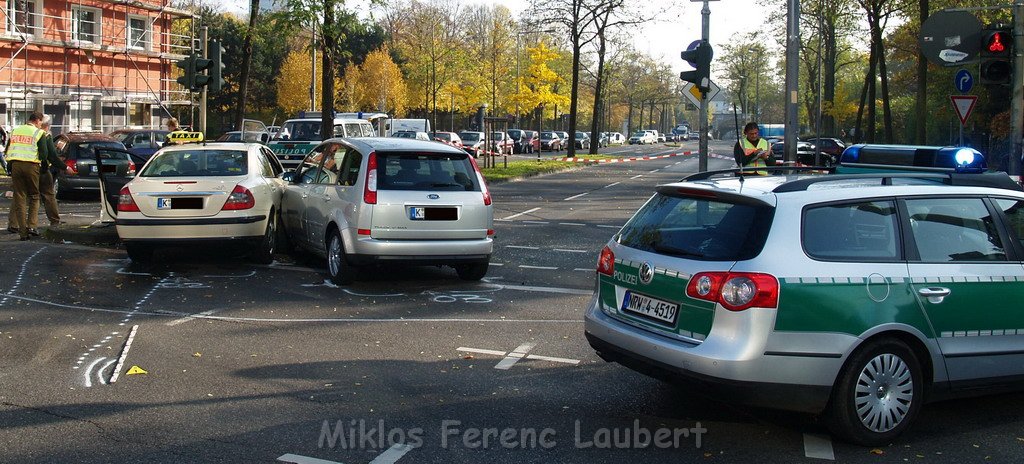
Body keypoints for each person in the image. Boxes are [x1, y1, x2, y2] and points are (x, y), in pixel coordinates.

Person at [5, 112, 47, 240]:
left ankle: (23, 232)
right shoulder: (39, 133)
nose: (41, 125)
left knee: (20, 197)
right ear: (37, 120)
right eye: (41, 122)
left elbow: (8, 149)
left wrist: (10, 166)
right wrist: (43, 166)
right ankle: (32, 226)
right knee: (34, 196)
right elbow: (44, 153)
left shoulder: (15, 131)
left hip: (16, 165)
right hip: (32, 166)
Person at [37, 118, 62, 227]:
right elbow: (51, 155)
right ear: (46, 125)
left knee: (22, 196)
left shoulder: (28, 133)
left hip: (23, 167)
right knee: (48, 194)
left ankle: (15, 224)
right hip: (41, 168)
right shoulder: (45, 135)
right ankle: (55, 220)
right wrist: (65, 167)